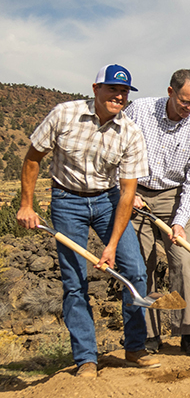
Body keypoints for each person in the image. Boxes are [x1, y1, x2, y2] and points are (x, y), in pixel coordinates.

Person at [16, 64, 157, 377]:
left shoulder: (130, 132)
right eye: (112, 89)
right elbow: (32, 158)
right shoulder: (64, 115)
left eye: (123, 92)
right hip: (67, 202)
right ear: (96, 89)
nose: (118, 96)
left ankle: (134, 347)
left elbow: (127, 192)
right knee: (75, 282)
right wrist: (26, 204)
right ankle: (86, 359)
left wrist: (112, 245)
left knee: (133, 270)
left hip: (108, 201)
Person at [126, 69, 190, 356]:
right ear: (170, 92)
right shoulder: (139, 111)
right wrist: (126, 190)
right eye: (184, 102)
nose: (189, 109)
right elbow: (116, 148)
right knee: (141, 264)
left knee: (184, 262)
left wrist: (178, 222)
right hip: (136, 191)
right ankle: (149, 335)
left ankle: (186, 332)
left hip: (173, 196)